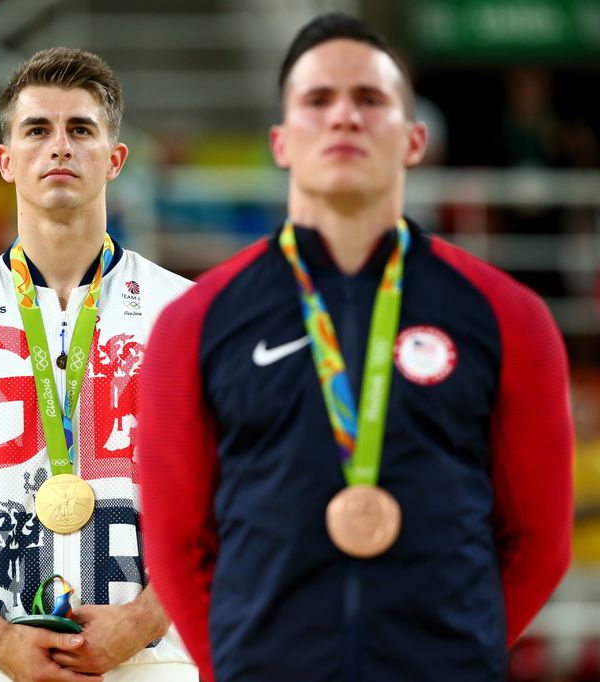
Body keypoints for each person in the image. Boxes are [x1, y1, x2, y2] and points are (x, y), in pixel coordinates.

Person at [136, 12, 573, 682]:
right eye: (318, 100)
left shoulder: (510, 317)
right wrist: (240, 664)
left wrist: (459, 655)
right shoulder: (195, 321)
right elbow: (172, 541)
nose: (344, 116)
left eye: (370, 99)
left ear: (414, 138)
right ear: (281, 142)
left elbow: (540, 542)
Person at [0, 47, 196, 681]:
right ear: (6, 161)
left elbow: (223, 490)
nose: (59, 146)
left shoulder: (186, 312)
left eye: (80, 129)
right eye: (37, 130)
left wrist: (143, 621)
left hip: (152, 659)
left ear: (115, 159)